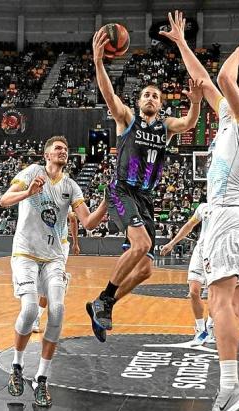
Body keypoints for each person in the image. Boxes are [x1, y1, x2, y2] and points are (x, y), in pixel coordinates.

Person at [161, 10, 239, 411]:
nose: (226, 98)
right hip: (237, 218)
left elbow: (227, 81)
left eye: (237, 96)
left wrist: (234, 54)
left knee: (218, 303)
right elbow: (210, 81)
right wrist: (180, 43)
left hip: (228, 218)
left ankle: (230, 386)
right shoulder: (232, 119)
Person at [85, 21, 204, 343]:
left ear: (161, 103)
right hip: (122, 189)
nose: (150, 98)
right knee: (142, 245)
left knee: (146, 269)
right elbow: (108, 94)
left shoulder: (166, 126)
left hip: (147, 198)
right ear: (139, 102)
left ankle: (102, 304)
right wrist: (98, 62)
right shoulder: (127, 119)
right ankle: (105, 299)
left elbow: (190, 122)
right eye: (146, 94)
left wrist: (195, 101)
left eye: (155, 95)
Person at [0, 135, 106, 408]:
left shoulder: (70, 186)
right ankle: (17, 366)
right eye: (58, 148)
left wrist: (107, 201)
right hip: (25, 253)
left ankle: (43, 377)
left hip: (54, 257)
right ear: (46, 155)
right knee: (30, 310)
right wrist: (28, 193)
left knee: (57, 311)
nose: (63, 151)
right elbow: (4, 200)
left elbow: (89, 222)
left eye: (66, 149)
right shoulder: (31, 173)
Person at [160, 202, 215, 345]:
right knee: (194, 292)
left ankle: (210, 326)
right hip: (200, 252)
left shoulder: (230, 208)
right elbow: (189, 225)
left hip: (218, 255)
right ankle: (200, 329)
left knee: (215, 295)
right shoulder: (203, 207)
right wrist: (171, 243)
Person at [32, 211, 81, 334]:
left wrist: (75, 242)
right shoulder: (39, 201)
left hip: (59, 247)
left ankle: (37, 318)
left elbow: (73, 218)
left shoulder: (63, 200)